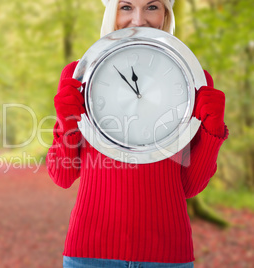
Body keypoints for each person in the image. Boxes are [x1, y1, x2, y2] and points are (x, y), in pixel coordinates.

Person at [46, 0, 229, 267]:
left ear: (167, 13)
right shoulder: (78, 75)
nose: (139, 20)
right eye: (127, 7)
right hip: (90, 253)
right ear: (111, 12)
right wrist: (67, 124)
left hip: (168, 254)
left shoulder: (195, 81)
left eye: (152, 7)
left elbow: (190, 186)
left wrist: (213, 131)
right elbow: (61, 175)